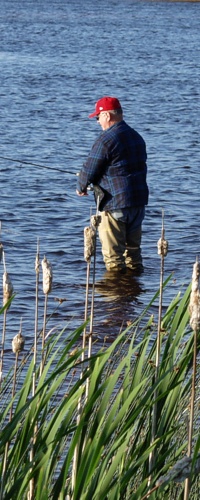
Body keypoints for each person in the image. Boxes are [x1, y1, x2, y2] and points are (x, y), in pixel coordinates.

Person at [76, 96, 149, 274]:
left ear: (107, 116)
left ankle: (117, 298)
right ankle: (134, 294)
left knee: (114, 258)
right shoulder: (136, 136)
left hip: (115, 204)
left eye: (98, 117)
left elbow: (90, 167)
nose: (97, 121)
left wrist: (81, 186)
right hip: (138, 203)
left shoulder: (106, 139)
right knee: (133, 255)